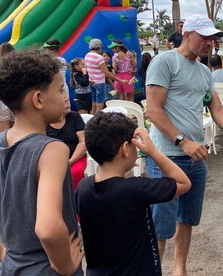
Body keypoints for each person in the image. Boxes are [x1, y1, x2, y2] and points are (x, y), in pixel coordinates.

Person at [0, 51, 84, 274]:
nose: (64, 96)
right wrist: (65, 266)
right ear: (38, 99)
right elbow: (48, 228)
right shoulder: (52, 150)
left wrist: (1, 253)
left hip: (12, 267)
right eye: (60, 89)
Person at [145, 14, 223, 275]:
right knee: (161, 223)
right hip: (166, 157)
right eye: (204, 37)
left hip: (195, 157)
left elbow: (218, 111)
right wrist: (183, 141)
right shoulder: (164, 62)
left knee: (187, 219)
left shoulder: (204, 70)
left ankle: (180, 269)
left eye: (213, 38)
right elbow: (154, 111)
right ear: (186, 33)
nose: (210, 43)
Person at [76, 112, 191, 275]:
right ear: (125, 149)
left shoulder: (83, 187)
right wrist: (153, 152)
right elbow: (183, 183)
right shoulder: (135, 189)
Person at [46, 94, 87, 189]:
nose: (69, 104)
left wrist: (70, 161)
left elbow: (83, 142)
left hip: (76, 158)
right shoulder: (44, 122)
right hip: (53, 161)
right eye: (65, 103)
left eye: (68, 101)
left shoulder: (74, 116)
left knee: (74, 173)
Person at [84, 39, 125, 114]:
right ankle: (97, 120)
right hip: (99, 82)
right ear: (100, 47)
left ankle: (91, 118)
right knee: (100, 104)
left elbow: (87, 69)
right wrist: (120, 81)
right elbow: (107, 73)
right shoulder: (99, 57)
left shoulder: (87, 55)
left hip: (91, 81)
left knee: (93, 103)